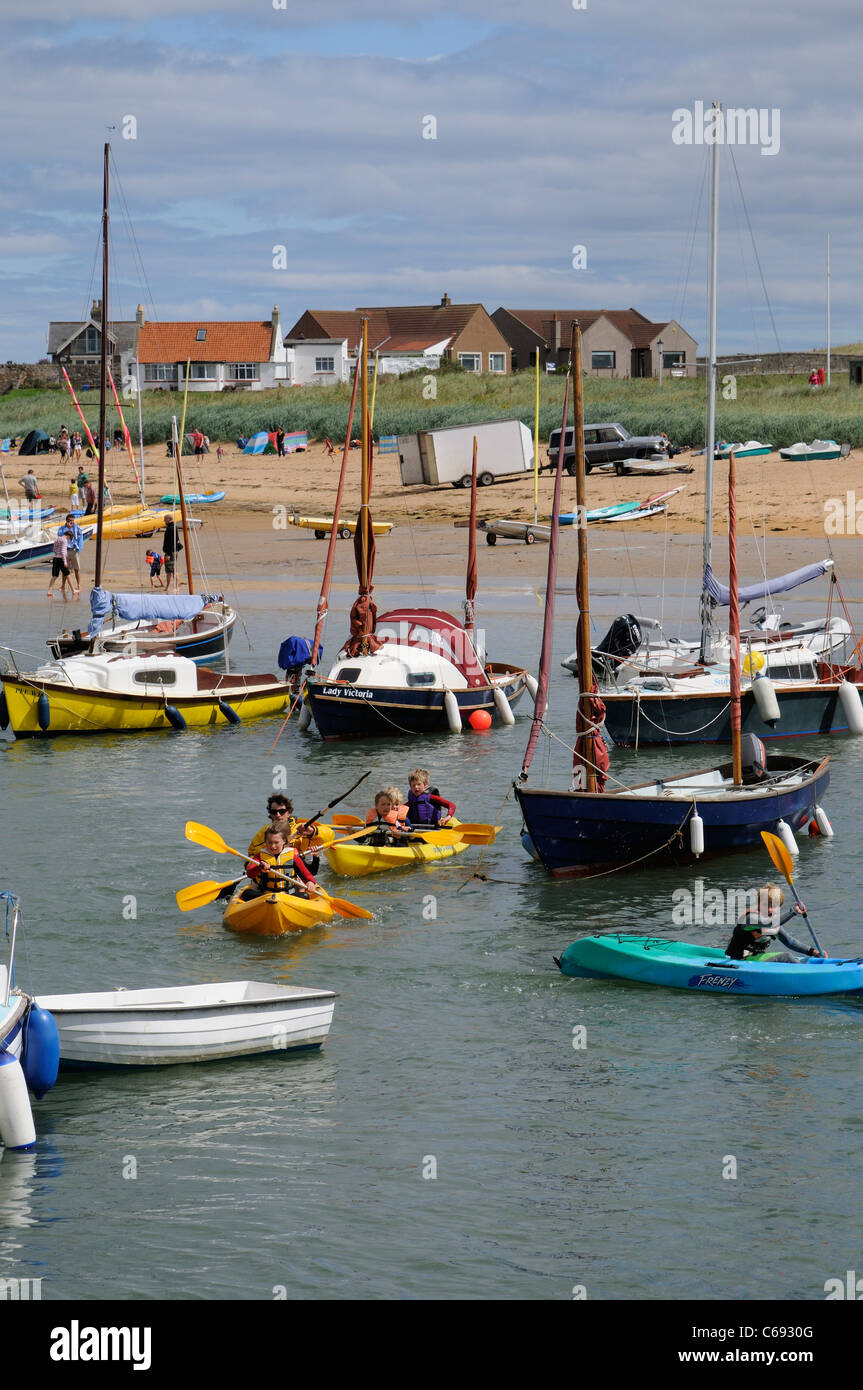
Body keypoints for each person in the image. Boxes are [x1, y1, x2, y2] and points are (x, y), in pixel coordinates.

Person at [725, 884, 824, 962]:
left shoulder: (774, 923)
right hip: (741, 960)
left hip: (757, 959)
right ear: (758, 904)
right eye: (765, 904)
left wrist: (813, 952)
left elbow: (790, 942)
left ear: (779, 907)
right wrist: (793, 911)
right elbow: (769, 923)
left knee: (792, 958)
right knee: (786, 957)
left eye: (773, 905)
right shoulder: (751, 918)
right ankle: (806, 979)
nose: (769, 909)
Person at [249, 793, 319, 875]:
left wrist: (312, 832)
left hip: (293, 874)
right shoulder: (264, 832)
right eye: (274, 812)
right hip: (267, 874)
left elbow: (329, 835)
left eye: (282, 811)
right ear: (270, 814)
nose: (278, 815)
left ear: (289, 812)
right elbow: (251, 855)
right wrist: (257, 866)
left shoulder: (302, 828)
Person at [244, 825, 317, 899]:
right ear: (266, 841)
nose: (273, 846)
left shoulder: (293, 856)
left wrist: (310, 882)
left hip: (288, 895)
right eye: (270, 842)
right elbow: (250, 873)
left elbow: (306, 874)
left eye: (276, 842)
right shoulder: (260, 856)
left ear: (284, 841)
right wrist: (259, 868)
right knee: (246, 894)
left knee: (305, 896)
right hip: (264, 895)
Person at [57, 514, 84, 598]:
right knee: (65, 570)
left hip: (74, 550)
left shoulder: (77, 528)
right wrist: (66, 528)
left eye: (72, 521)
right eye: (69, 521)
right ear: (67, 521)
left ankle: (79, 585)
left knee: (76, 569)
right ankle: (63, 586)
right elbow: (60, 536)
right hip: (65, 551)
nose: (71, 522)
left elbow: (80, 539)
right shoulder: (62, 529)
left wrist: (79, 550)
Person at [47, 529, 72, 599]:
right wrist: (65, 561)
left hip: (55, 558)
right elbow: (63, 552)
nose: (69, 540)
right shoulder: (64, 540)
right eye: (70, 538)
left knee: (55, 576)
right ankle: (73, 590)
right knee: (67, 574)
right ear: (68, 536)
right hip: (61, 559)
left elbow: (54, 549)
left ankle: (49, 591)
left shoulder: (57, 539)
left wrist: (56, 554)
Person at [162, 515, 183, 590]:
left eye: (165, 519)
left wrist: (168, 554)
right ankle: (171, 586)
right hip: (173, 551)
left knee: (171, 570)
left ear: (168, 519)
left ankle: (172, 587)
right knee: (171, 569)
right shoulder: (172, 527)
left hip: (171, 552)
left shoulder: (171, 528)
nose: (164, 521)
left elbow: (172, 542)